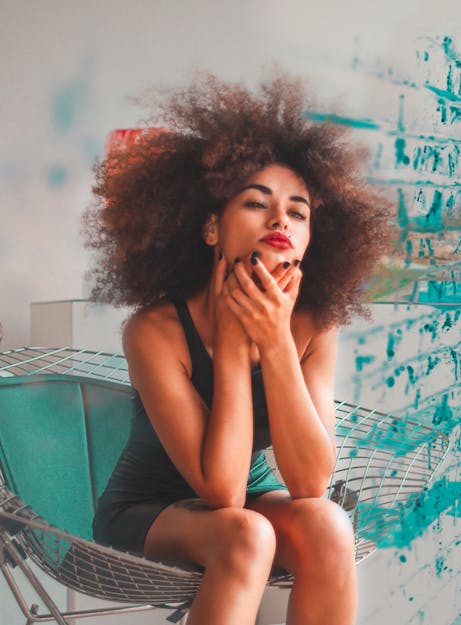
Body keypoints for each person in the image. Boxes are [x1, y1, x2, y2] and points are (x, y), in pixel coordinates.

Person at [84, 72, 390, 625]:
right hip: (149, 512)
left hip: (252, 500)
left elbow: (310, 482)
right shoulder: (155, 329)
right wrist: (230, 345)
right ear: (209, 228)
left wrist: (274, 342)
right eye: (257, 203)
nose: (280, 221)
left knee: (328, 523)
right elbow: (222, 491)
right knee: (245, 533)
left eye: (298, 212)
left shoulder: (314, 325)